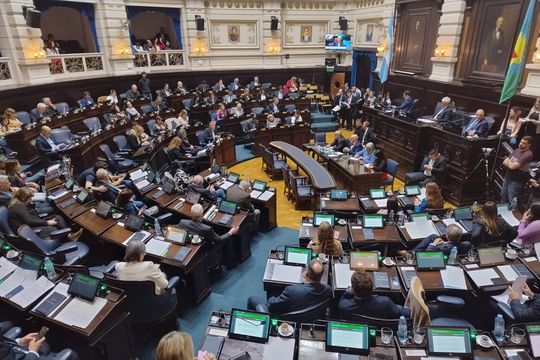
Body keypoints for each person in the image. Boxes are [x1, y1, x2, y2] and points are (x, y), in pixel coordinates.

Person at [247, 259, 332, 314]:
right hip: (311, 319)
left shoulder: (292, 291)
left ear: (305, 274)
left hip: (286, 321)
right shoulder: (328, 289)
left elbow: (271, 306)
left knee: (252, 299)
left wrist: (272, 295)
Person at [8, 187, 82, 240]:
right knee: (53, 228)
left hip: (33, 222)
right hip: (28, 230)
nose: (30, 200)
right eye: (29, 198)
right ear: (24, 197)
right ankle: (68, 237)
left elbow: (32, 214)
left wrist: (30, 204)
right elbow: (29, 221)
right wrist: (47, 223)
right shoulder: (18, 206)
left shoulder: (19, 202)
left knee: (58, 217)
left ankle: (70, 236)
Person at [339, 270, 410, 320]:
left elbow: (342, 301)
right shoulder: (385, 302)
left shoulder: (345, 306)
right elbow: (407, 314)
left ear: (353, 290)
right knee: (399, 307)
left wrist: (348, 292)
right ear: (372, 288)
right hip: (381, 329)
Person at [0, 328, 78, 360]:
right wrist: (33, 353)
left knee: (44, 345)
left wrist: (19, 342)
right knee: (71, 354)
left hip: (9, 352)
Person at [501, 136, 533, 207]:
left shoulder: (528, 154)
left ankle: (513, 216)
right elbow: (504, 162)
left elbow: (512, 166)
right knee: (503, 196)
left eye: (524, 143)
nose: (521, 144)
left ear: (529, 145)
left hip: (516, 180)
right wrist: (510, 163)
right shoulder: (517, 150)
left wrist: (509, 161)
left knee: (512, 199)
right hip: (508, 176)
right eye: (521, 142)